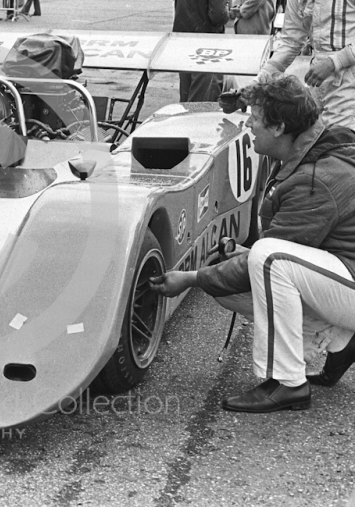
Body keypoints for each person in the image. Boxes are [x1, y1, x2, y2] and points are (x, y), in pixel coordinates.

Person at [150, 74, 355, 413]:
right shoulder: (310, 146)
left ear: (278, 128)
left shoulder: (317, 179)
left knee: (268, 259)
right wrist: (239, 255)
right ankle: (339, 345)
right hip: (343, 274)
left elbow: (275, 256)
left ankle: (289, 383)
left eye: (256, 118)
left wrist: (190, 278)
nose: (248, 123)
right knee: (244, 272)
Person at [260, 0, 355, 131]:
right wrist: (257, 84)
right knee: (321, 144)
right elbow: (290, 41)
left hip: (349, 88)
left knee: (341, 145)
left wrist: (335, 61)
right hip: (319, 88)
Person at [172, 0, 229, 102]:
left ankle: (186, 119)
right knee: (203, 96)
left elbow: (177, 1)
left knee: (186, 94)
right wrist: (228, 13)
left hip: (183, 37)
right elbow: (218, 15)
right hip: (206, 42)